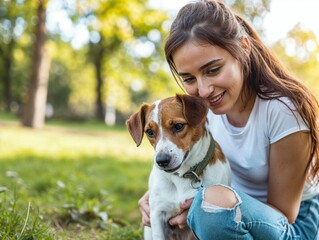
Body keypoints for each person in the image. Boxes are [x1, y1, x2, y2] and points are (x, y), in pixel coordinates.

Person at [138, 0, 319, 239]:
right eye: (189, 78)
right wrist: (157, 198)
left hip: (291, 228)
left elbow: (284, 215)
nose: (203, 90)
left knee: (210, 207)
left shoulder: (284, 111)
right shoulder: (203, 111)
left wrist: (204, 210)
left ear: (244, 48)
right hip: (226, 209)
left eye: (213, 70)